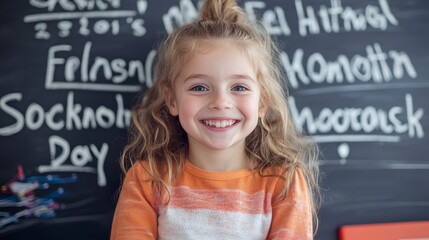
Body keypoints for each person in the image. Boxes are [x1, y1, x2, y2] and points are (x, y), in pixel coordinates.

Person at [110, 0, 320, 239]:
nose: (220, 102)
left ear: (262, 102)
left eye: (239, 87)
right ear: (172, 101)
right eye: (199, 87)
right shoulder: (147, 180)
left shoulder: (282, 183)